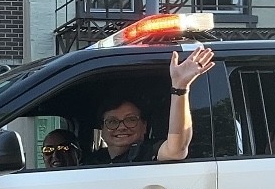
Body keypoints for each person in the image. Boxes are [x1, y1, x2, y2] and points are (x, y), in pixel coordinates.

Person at [85, 46, 216, 164]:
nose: (121, 127)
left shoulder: (145, 153)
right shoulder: (94, 161)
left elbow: (176, 150)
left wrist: (180, 87)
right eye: (112, 121)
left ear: (144, 126)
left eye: (131, 120)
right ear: (102, 129)